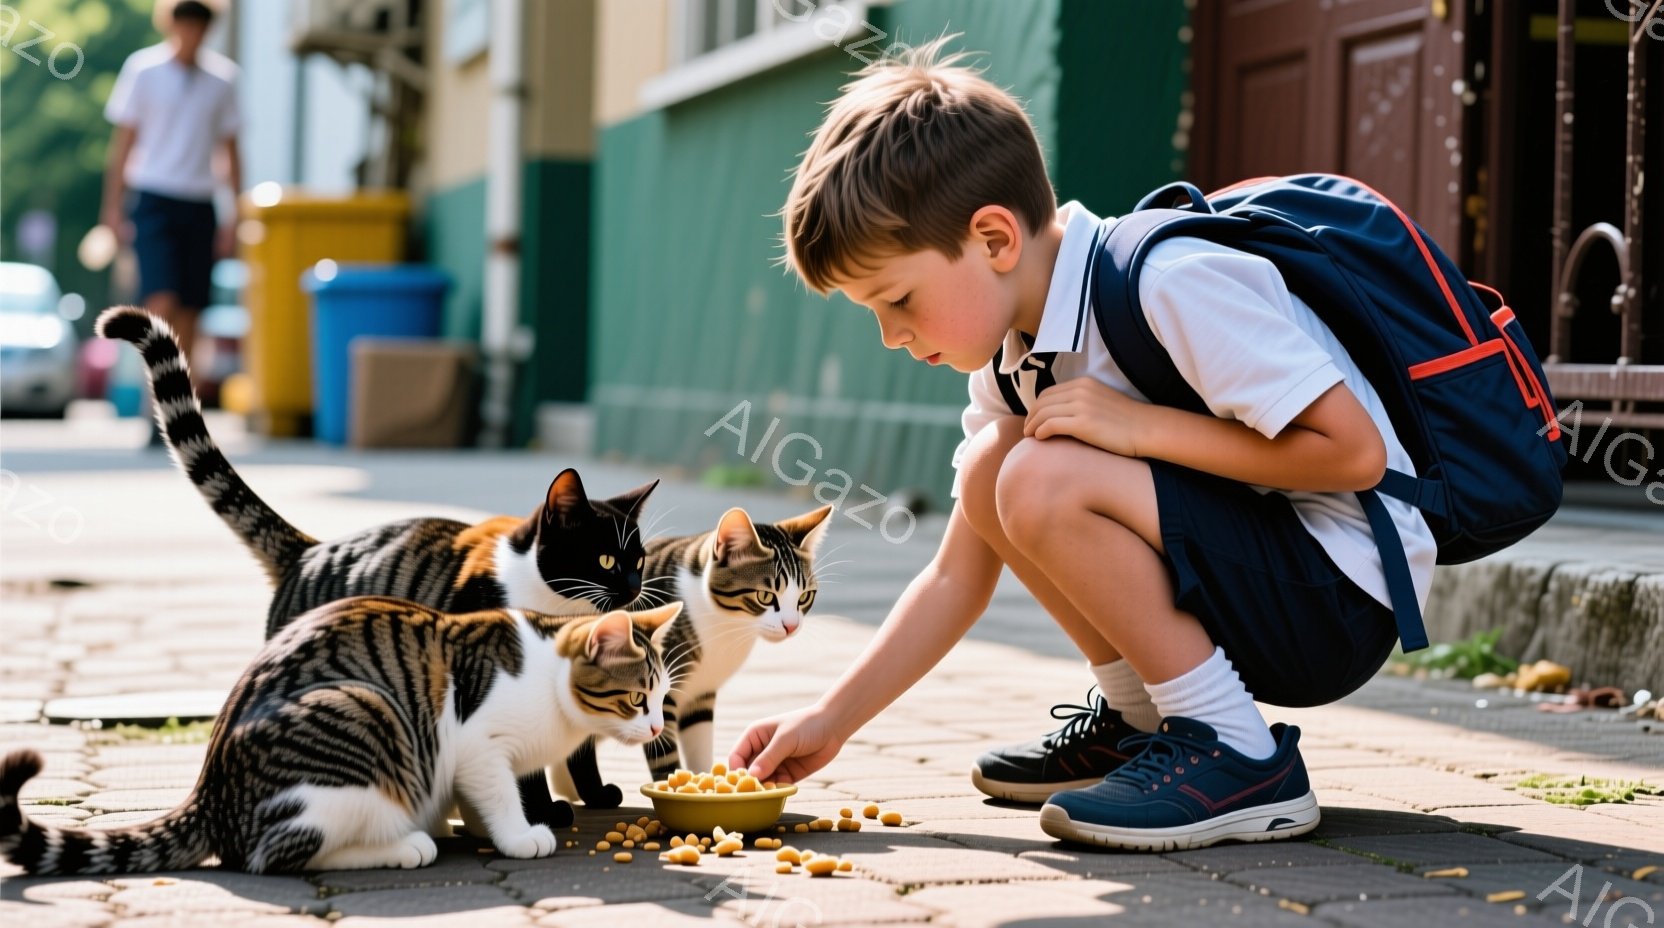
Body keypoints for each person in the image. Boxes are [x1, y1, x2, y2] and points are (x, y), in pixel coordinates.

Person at [727, 41, 1435, 851]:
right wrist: (832, 718)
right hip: (1262, 581)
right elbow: (958, 573)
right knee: (993, 467)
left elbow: (1354, 454)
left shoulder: (1165, 281)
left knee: (1036, 473)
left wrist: (1139, 428)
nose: (891, 335)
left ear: (995, 240)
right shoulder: (1016, 353)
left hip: (1334, 600)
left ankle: (1236, 752)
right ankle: (1147, 727)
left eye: (898, 299)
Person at [101, 0, 241, 444]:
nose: (191, 31)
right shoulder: (143, 71)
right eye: (185, 22)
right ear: (172, 24)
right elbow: (123, 143)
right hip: (154, 200)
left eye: (200, 23)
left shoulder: (223, 80)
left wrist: (234, 215)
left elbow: (231, 150)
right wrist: (113, 208)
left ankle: (183, 414)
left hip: (199, 203)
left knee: (192, 314)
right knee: (160, 304)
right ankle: (153, 413)